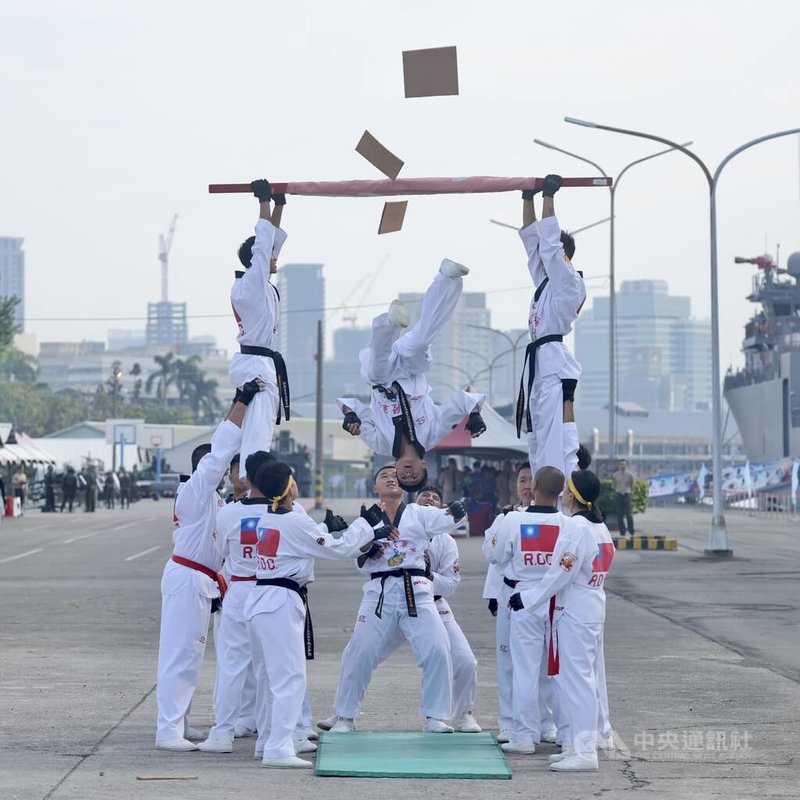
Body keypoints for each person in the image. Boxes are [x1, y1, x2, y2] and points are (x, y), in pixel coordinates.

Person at [244, 461, 381, 769]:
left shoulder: (270, 517)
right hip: (280, 601)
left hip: (261, 599)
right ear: (289, 486)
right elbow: (337, 549)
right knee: (290, 678)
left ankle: (267, 740)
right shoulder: (292, 522)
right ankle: (279, 747)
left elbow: (307, 535)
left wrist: (323, 528)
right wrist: (365, 525)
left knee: (268, 678)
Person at [154, 378, 260, 751]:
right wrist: (241, 403)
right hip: (187, 577)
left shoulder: (214, 501)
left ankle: (178, 723)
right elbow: (219, 454)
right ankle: (167, 730)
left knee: (191, 654)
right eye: (218, 466)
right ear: (206, 469)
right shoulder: (196, 490)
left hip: (202, 581)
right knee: (179, 654)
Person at [319, 465, 466, 733]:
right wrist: (371, 541)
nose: (390, 478)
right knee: (359, 651)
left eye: (394, 475)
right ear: (375, 487)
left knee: (437, 646)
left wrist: (454, 511)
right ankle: (345, 717)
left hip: (417, 589)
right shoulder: (366, 521)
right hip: (380, 592)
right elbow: (354, 554)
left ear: (404, 485)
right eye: (383, 476)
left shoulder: (418, 513)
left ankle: (435, 716)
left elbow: (444, 519)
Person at [338, 261, 486, 492]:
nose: (408, 473)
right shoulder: (433, 435)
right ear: (424, 464)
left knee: (376, 368)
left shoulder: (380, 443)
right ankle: (447, 279)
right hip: (412, 371)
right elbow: (457, 405)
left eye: (404, 478)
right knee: (420, 340)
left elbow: (356, 409)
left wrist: (351, 418)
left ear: (394, 468)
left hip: (383, 380)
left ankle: (389, 323)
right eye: (415, 475)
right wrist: (475, 413)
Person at [509, 469, 615, 772]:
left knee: (577, 681)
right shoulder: (600, 526)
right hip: (592, 607)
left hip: (575, 611)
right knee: (582, 679)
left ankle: (583, 751)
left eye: (568, 489)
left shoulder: (576, 527)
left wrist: (529, 599)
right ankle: (574, 745)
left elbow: (561, 570)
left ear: (572, 495)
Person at [485, 466, 566, 754]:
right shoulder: (567, 523)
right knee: (554, 669)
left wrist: (496, 535)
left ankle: (524, 735)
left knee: (524, 670)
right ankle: (557, 728)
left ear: (535, 486)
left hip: (522, 600)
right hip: (555, 602)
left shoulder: (514, 520)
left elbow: (495, 556)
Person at [200, 449, 274, 753]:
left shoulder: (230, 512)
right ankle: (272, 736)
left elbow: (220, 552)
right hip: (272, 591)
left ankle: (222, 733)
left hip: (239, 590)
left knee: (232, 665)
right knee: (272, 667)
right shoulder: (286, 511)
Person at [516, 175, 586, 479]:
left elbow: (548, 248)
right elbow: (533, 244)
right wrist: (527, 198)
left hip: (552, 362)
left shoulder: (568, 282)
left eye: (552, 255)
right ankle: (541, 488)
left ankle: (552, 488)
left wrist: (549, 197)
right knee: (537, 434)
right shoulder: (547, 281)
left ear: (563, 256)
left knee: (549, 436)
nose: (542, 260)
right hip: (541, 362)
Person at [229, 179, 291, 466]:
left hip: (260, 362)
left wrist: (277, 204)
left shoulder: (260, 283)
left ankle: (251, 479)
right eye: (270, 256)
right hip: (255, 363)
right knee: (257, 432)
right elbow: (264, 241)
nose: (276, 257)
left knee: (260, 429)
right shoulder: (250, 285)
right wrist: (262, 202)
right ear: (258, 259)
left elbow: (271, 239)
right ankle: (251, 483)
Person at [481, 462, 533, 743]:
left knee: (539, 665)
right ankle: (508, 722)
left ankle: (542, 722)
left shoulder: (554, 519)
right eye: (522, 480)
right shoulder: (506, 518)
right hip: (508, 596)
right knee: (507, 661)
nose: (527, 486)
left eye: (532, 480)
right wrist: (492, 594)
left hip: (539, 599)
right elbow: (493, 557)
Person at [612, 459, 635, 537]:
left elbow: (632, 485)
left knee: (629, 514)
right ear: (619, 466)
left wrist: (630, 492)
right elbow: (613, 486)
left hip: (627, 495)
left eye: (624, 464)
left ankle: (631, 531)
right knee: (619, 515)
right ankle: (622, 532)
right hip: (618, 495)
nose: (622, 466)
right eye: (621, 464)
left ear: (626, 466)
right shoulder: (615, 475)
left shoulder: (630, 475)